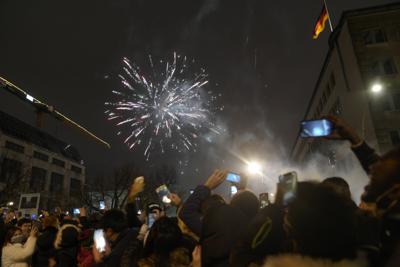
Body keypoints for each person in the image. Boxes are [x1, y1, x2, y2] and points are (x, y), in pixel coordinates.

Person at [326, 115, 400, 264]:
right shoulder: (388, 220)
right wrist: (354, 139)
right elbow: (382, 171)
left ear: (395, 192)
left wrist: (367, 247)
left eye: (374, 180)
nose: (366, 184)